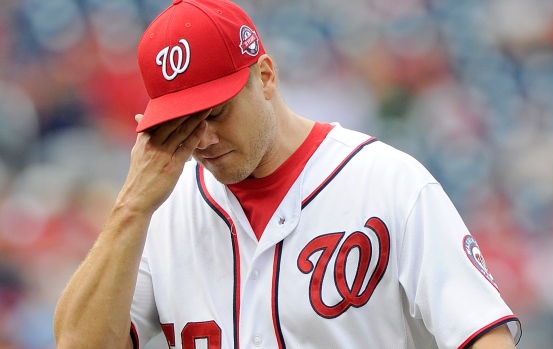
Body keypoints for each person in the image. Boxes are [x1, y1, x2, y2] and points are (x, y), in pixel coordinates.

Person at [53, 0, 522, 348]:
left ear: (266, 76)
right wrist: (130, 207)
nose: (203, 139)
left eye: (215, 113)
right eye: (181, 124)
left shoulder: (387, 182)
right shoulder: (161, 212)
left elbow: (485, 335)